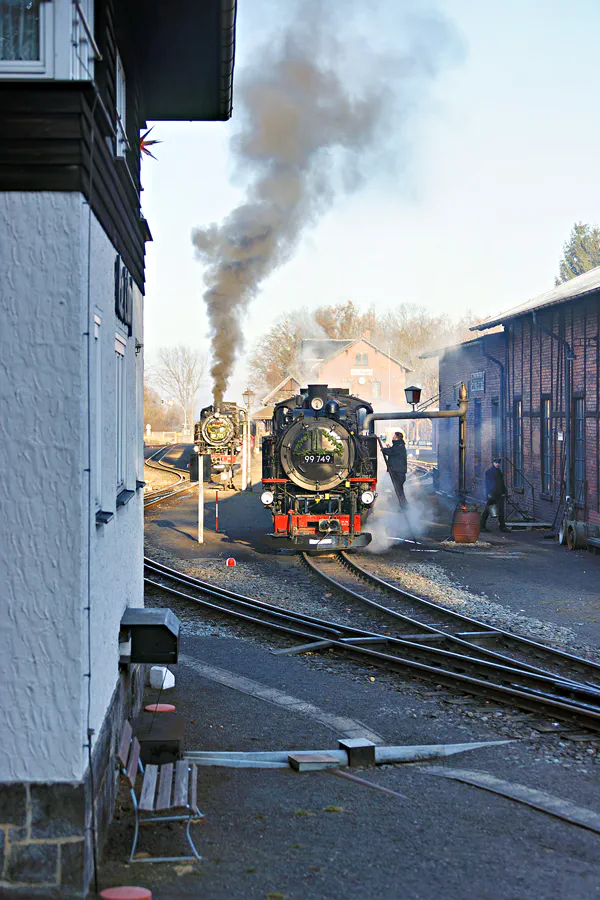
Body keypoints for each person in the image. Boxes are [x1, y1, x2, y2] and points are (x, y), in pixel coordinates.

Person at [481, 457, 509, 532]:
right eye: (496, 463)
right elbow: (488, 484)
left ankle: (502, 527)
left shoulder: (499, 471)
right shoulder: (489, 471)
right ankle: (481, 526)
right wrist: (489, 494)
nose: (498, 464)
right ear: (493, 463)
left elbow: (501, 483)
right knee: (488, 510)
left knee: (501, 510)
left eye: (499, 463)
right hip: (492, 494)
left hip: (499, 494)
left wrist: (504, 491)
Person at [381, 431, 408, 505]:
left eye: (394, 436)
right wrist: (388, 449)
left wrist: (384, 450)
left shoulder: (399, 446)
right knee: (398, 490)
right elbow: (392, 450)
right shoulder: (398, 445)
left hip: (398, 472)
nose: (393, 438)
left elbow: (391, 452)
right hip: (397, 471)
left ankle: (404, 506)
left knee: (399, 490)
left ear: (396, 438)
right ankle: (402, 505)